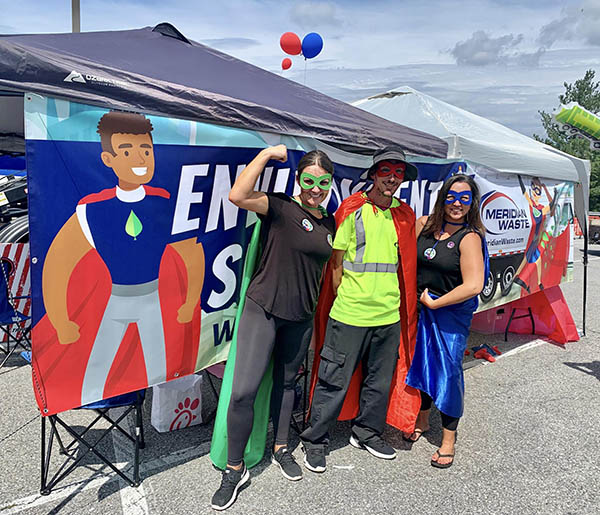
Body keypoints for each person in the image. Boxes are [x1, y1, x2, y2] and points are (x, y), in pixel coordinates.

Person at [42, 111, 205, 407]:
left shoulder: (165, 202)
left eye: (146, 150)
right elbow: (57, 265)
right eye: (127, 151)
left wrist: (190, 300)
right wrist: (60, 320)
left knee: (160, 367)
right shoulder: (92, 209)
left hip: (153, 299)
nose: (140, 159)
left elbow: (191, 250)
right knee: (96, 372)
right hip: (116, 301)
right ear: (108, 159)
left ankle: (162, 412)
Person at [210, 144, 336, 511]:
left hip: (300, 317)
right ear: (299, 179)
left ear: (329, 183)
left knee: (287, 385)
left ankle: (281, 448)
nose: (316, 187)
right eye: (309, 180)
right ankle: (235, 469)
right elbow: (237, 195)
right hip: (262, 309)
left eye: (323, 181)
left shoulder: (329, 222)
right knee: (242, 392)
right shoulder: (280, 206)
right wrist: (266, 155)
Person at [300, 145, 419, 473]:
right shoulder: (353, 209)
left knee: (379, 381)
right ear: (374, 174)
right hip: (350, 314)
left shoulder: (403, 215)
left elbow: (404, 266)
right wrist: (349, 300)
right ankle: (315, 440)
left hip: (388, 316)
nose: (392, 178)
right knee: (333, 380)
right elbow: (335, 267)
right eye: (386, 171)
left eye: (398, 173)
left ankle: (367, 432)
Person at [404, 174, 487, 469]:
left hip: (449, 314)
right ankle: (423, 419)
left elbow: (474, 284)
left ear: (471, 203)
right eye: (452, 197)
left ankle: (448, 439)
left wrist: (437, 302)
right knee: (422, 365)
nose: (457, 204)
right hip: (422, 310)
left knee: (449, 372)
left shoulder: (470, 237)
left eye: (464, 199)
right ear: (443, 197)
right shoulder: (424, 224)